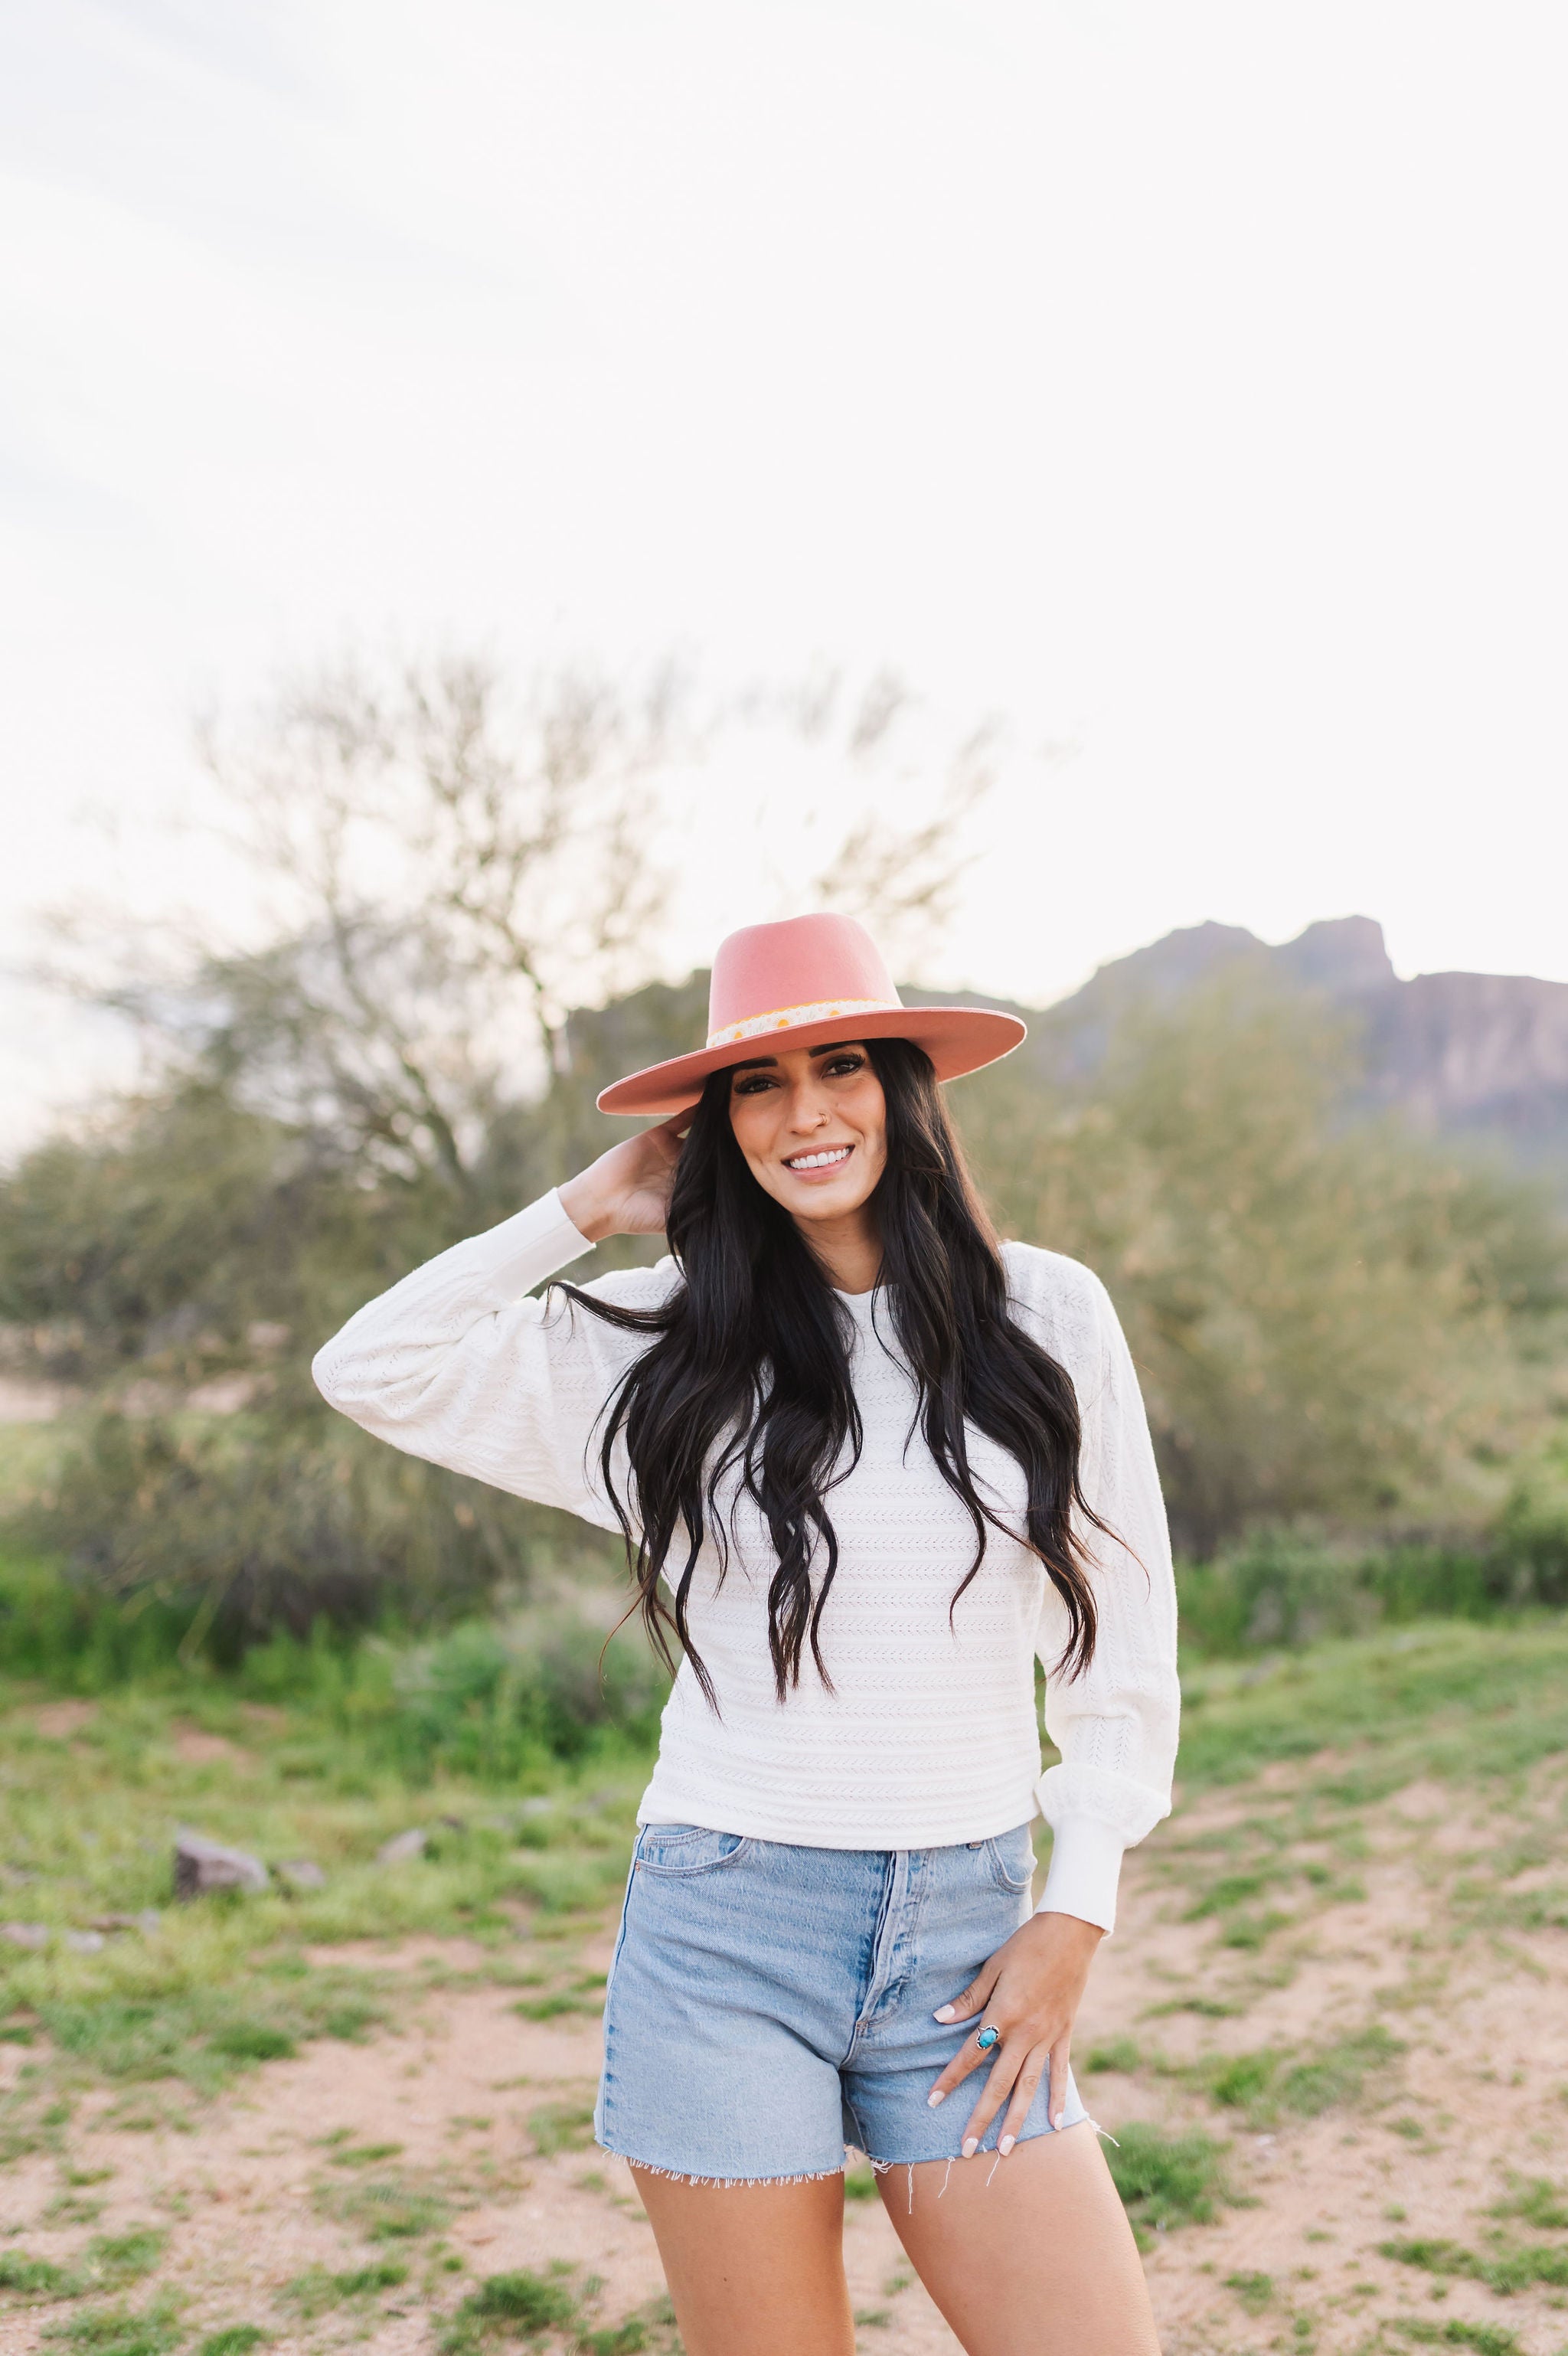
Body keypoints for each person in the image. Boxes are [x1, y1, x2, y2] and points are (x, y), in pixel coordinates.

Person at [314, 912, 1178, 2356]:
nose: (805, 1112)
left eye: (840, 1065)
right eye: (758, 1084)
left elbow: (1122, 1640)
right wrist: (583, 1210)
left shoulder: (1048, 1315)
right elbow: (369, 1366)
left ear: (902, 1090)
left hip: (969, 1932)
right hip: (727, 1931)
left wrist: (1075, 1905)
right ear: (716, 1124)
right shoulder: (656, 1344)